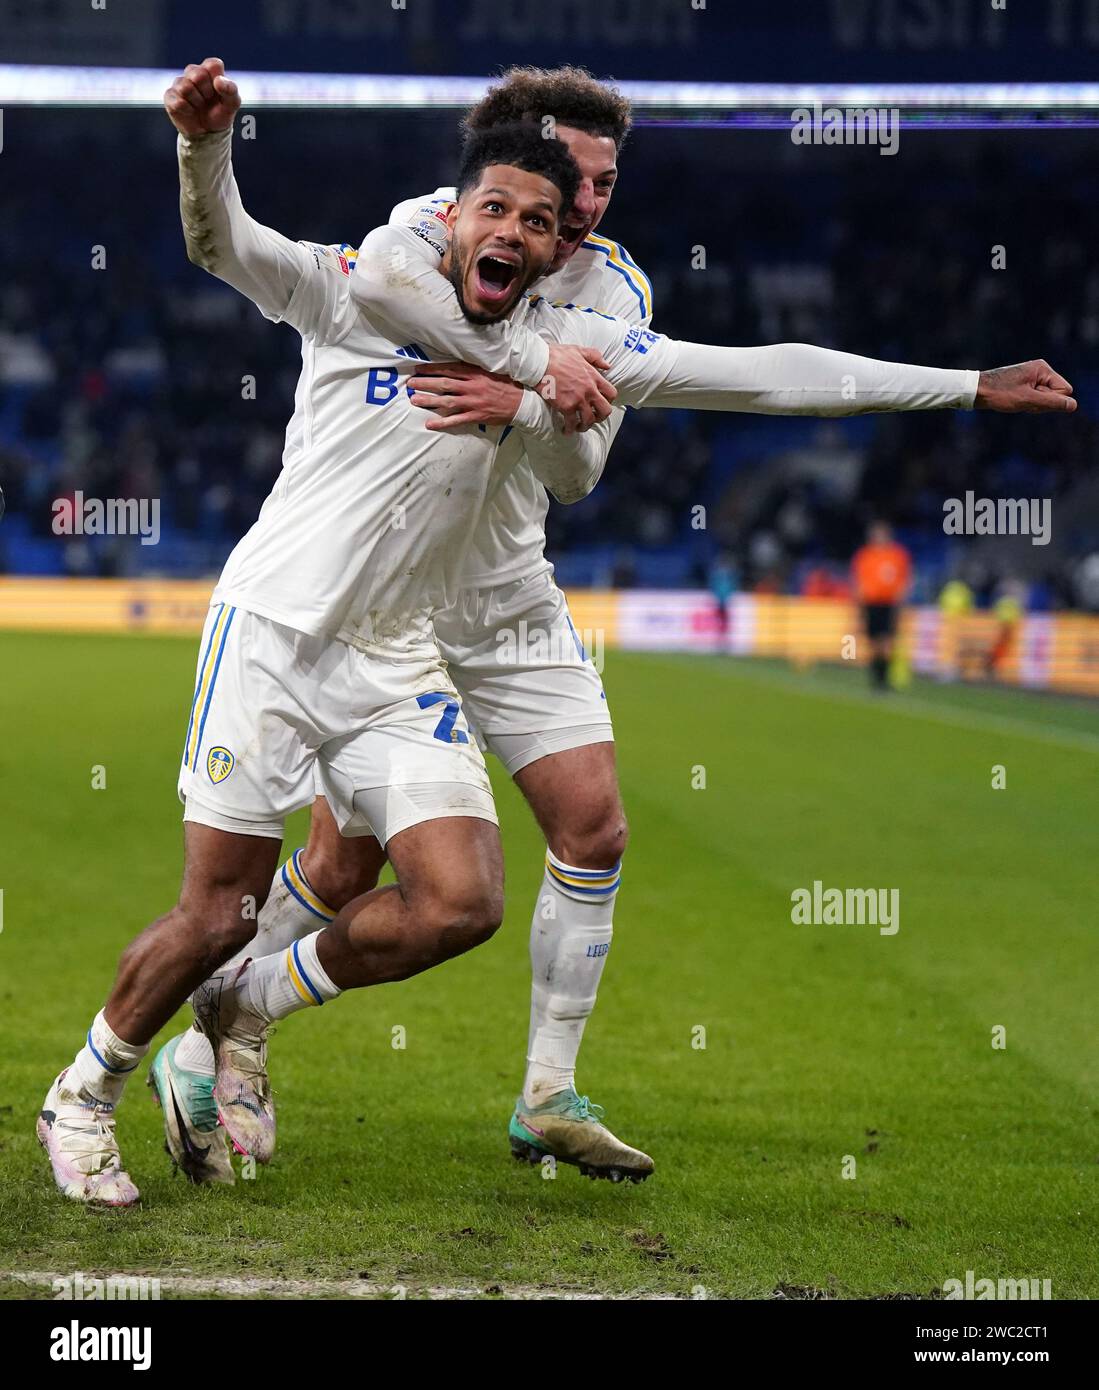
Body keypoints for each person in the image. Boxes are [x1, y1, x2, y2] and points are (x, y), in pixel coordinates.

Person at [42, 59, 1076, 1210]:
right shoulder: (365, 277)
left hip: (403, 649)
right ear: (458, 208)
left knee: (462, 898)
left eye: (554, 214)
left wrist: (967, 384)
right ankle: (86, 1093)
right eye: (508, 204)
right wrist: (202, 145)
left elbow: (769, 378)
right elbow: (225, 242)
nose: (543, 222)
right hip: (278, 633)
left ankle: (262, 1014)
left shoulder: (588, 317)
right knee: (220, 909)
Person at [851, 521, 912, 690]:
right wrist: (859, 603)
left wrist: (902, 596)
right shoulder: (865, 555)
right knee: (873, 643)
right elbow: (858, 580)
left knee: (887, 642)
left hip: (890, 603)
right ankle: (876, 678)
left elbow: (905, 578)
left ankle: (884, 679)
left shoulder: (897, 555)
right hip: (871, 603)